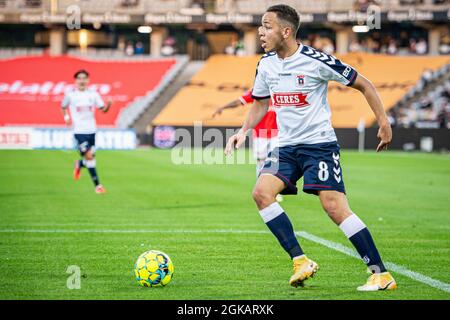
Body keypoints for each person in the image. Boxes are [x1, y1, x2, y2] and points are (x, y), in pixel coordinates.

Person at [225, 4, 397, 291]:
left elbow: (364, 84)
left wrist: (383, 122)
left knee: (334, 208)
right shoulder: (265, 64)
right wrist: (243, 132)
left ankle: (380, 274)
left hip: (319, 146)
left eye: (267, 26)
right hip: (287, 147)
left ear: (286, 31)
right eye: (261, 25)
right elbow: (260, 102)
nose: (260, 31)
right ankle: (300, 261)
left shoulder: (316, 60)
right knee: (261, 193)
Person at [213, 89, 283, 202]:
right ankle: (262, 190)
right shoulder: (259, 91)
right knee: (261, 162)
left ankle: (272, 190)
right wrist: (223, 107)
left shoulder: (280, 89)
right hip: (260, 133)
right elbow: (239, 101)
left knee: (275, 161)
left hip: (277, 133)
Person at [61, 69, 112, 194]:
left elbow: (103, 110)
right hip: (79, 131)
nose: (82, 81)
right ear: (76, 81)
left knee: (91, 159)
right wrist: (67, 118)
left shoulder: (93, 94)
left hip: (92, 131)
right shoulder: (70, 95)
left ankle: (79, 163)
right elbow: (63, 106)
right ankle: (98, 186)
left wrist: (109, 104)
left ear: (88, 80)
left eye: (84, 78)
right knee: (90, 156)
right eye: (79, 78)